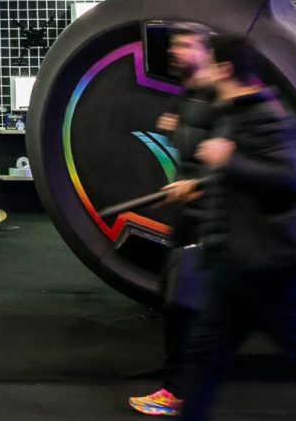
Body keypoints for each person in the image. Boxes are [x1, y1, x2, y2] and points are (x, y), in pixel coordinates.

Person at [163, 34, 296, 420]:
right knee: (204, 363)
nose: (201, 69)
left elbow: (294, 179)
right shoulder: (230, 113)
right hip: (233, 266)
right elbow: (242, 180)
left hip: (270, 270)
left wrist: (228, 162)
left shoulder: (265, 115)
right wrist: (198, 185)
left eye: (208, 63)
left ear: (224, 69)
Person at [127, 24, 216, 416]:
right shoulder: (189, 92)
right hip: (191, 217)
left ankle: (177, 391)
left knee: (193, 306)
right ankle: (178, 390)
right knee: (179, 302)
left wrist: (199, 185)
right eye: (175, 44)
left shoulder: (222, 94)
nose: (175, 51)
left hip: (217, 218)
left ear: (206, 49)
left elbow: (239, 158)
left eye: (185, 44)